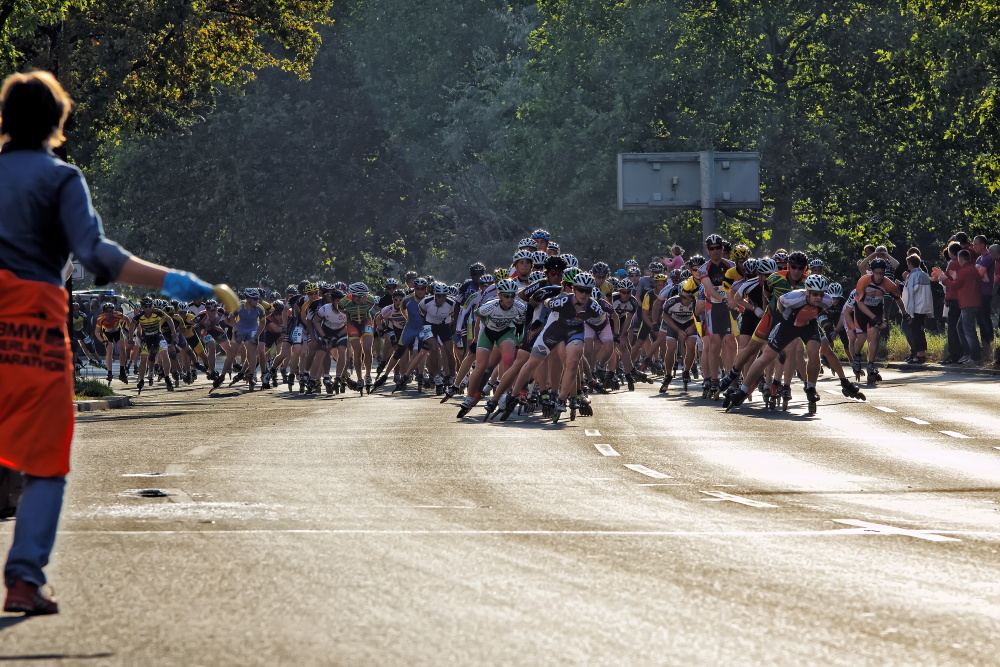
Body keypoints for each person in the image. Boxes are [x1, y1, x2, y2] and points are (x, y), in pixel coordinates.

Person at [0, 71, 218, 615]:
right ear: (58, 123)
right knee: (45, 465)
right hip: (32, 337)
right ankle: (25, 577)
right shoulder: (60, 180)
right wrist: (174, 281)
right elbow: (98, 256)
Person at [936, 249, 982, 365]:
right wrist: (955, 277)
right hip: (972, 303)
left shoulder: (964, 270)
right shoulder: (973, 270)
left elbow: (954, 285)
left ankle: (974, 356)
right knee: (960, 327)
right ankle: (967, 354)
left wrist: (945, 279)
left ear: (961, 260)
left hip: (968, 304)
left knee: (968, 330)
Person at [901, 255, 933, 363]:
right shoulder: (924, 275)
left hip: (915, 308)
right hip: (924, 307)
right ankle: (921, 354)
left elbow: (910, 295)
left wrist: (908, 313)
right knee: (919, 330)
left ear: (910, 264)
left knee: (916, 331)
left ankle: (919, 355)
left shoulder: (913, 276)